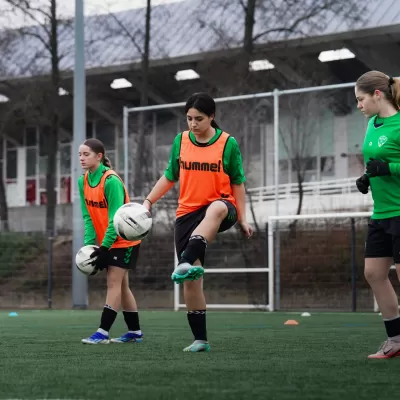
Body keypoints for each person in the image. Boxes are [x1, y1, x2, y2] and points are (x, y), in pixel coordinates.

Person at [143, 92, 253, 352]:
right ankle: (200, 340)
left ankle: (184, 261)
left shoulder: (228, 143)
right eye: (189, 118)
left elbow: (238, 182)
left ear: (212, 117)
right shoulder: (180, 141)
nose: (193, 124)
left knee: (215, 209)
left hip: (222, 206)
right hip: (186, 213)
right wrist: (148, 201)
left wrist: (243, 218)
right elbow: (170, 175)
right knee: (191, 282)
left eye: (199, 119)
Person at [78, 138, 143, 345]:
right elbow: (88, 217)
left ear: (99, 156)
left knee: (113, 284)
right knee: (122, 287)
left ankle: (103, 332)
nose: (81, 158)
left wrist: (105, 247)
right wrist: (90, 246)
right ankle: (134, 332)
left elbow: (116, 218)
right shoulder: (83, 181)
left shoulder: (111, 181)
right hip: (108, 241)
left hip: (124, 241)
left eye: (86, 154)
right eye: (80, 154)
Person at [355, 70, 400, 358]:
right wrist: (367, 177)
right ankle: (396, 340)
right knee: (373, 273)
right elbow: (374, 160)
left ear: (377, 95)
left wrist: (390, 169)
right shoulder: (372, 123)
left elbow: (390, 163)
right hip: (380, 212)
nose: (359, 105)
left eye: (361, 99)